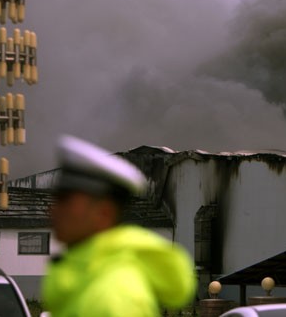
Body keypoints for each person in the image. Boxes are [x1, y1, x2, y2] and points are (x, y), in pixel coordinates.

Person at [41, 135, 196, 317]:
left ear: (104, 213)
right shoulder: (88, 279)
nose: (53, 210)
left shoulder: (113, 297)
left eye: (65, 201)